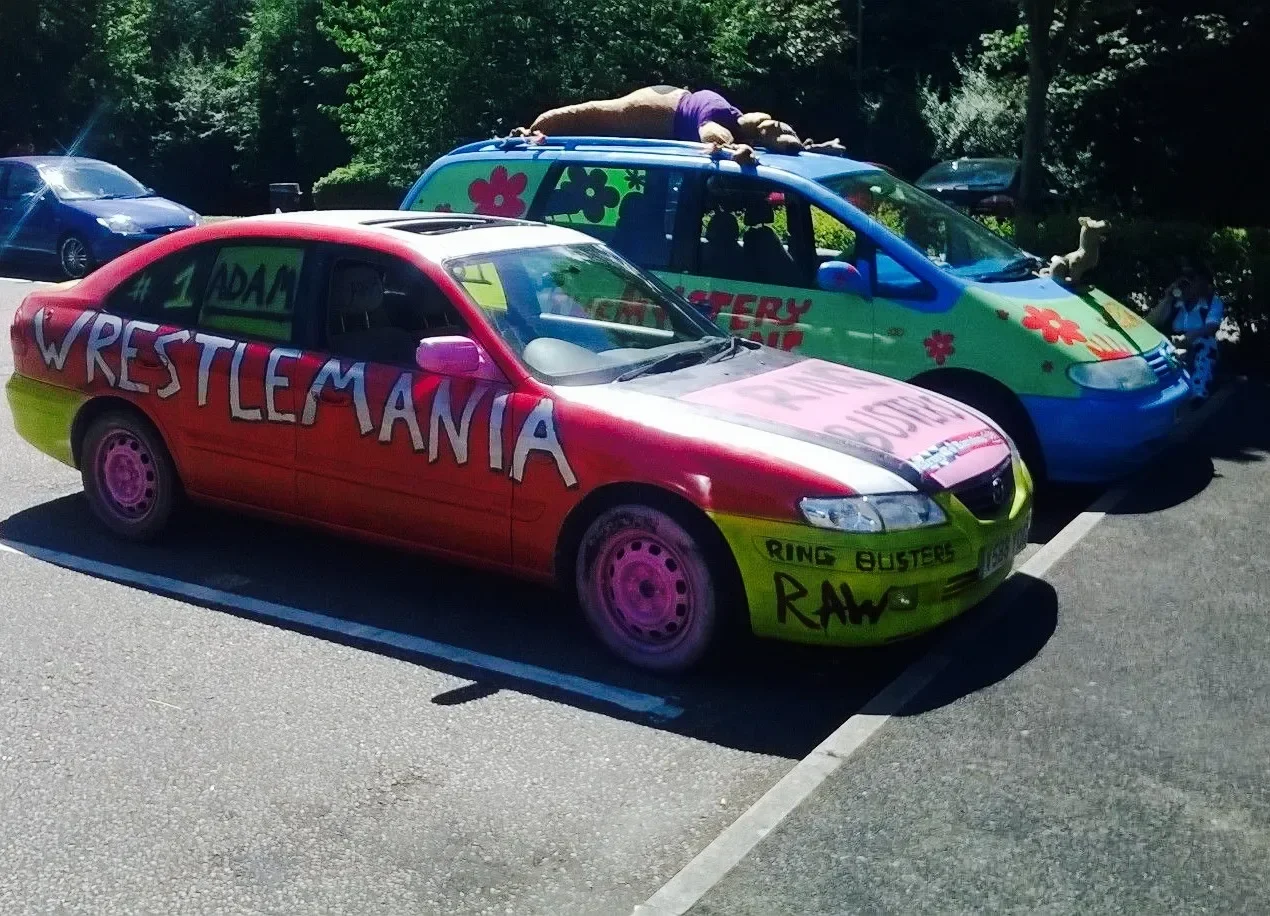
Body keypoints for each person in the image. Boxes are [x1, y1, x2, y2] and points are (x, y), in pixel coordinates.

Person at [515, 86, 842, 164]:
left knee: (588, 114)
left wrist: (812, 147)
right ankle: (531, 131)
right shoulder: (720, 122)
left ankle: (534, 130)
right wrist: (734, 153)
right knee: (589, 114)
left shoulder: (733, 118)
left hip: (665, 102)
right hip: (653, 112)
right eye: (768, 126)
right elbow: (715, 141)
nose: (767, 125)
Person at [1150, 260, 1224, 400]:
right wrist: (1167, 299)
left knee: (1206, 344)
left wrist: (1187, 339)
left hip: (1196, 342)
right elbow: (1151, 322)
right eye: (1185, 280)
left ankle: (1197, 391)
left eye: (1193, 279)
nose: (1188, 285)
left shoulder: (1213, 302)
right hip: (1171, 342)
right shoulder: (1175, 303)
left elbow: (1210, 328)